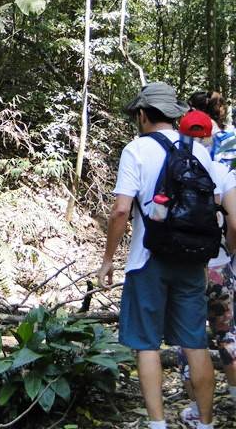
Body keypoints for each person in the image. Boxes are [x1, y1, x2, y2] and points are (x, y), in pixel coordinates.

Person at [97, 82, 218, 429]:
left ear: (142, 114)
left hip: (147, 259)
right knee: (195, 341)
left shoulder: (136, 150)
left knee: (147, 343)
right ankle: (205, 423)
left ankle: (157, 424)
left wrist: (108, 259)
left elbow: (121, 210)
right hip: (194, 259)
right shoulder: (200, 151)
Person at [176, 110, 236, 426]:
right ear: (212, 137)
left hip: (186, 270)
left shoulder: (172, 169)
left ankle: (199, 411)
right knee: (228, 333)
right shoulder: (224, 173)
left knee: (190, 340)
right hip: (220, 266)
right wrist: (229, 252)